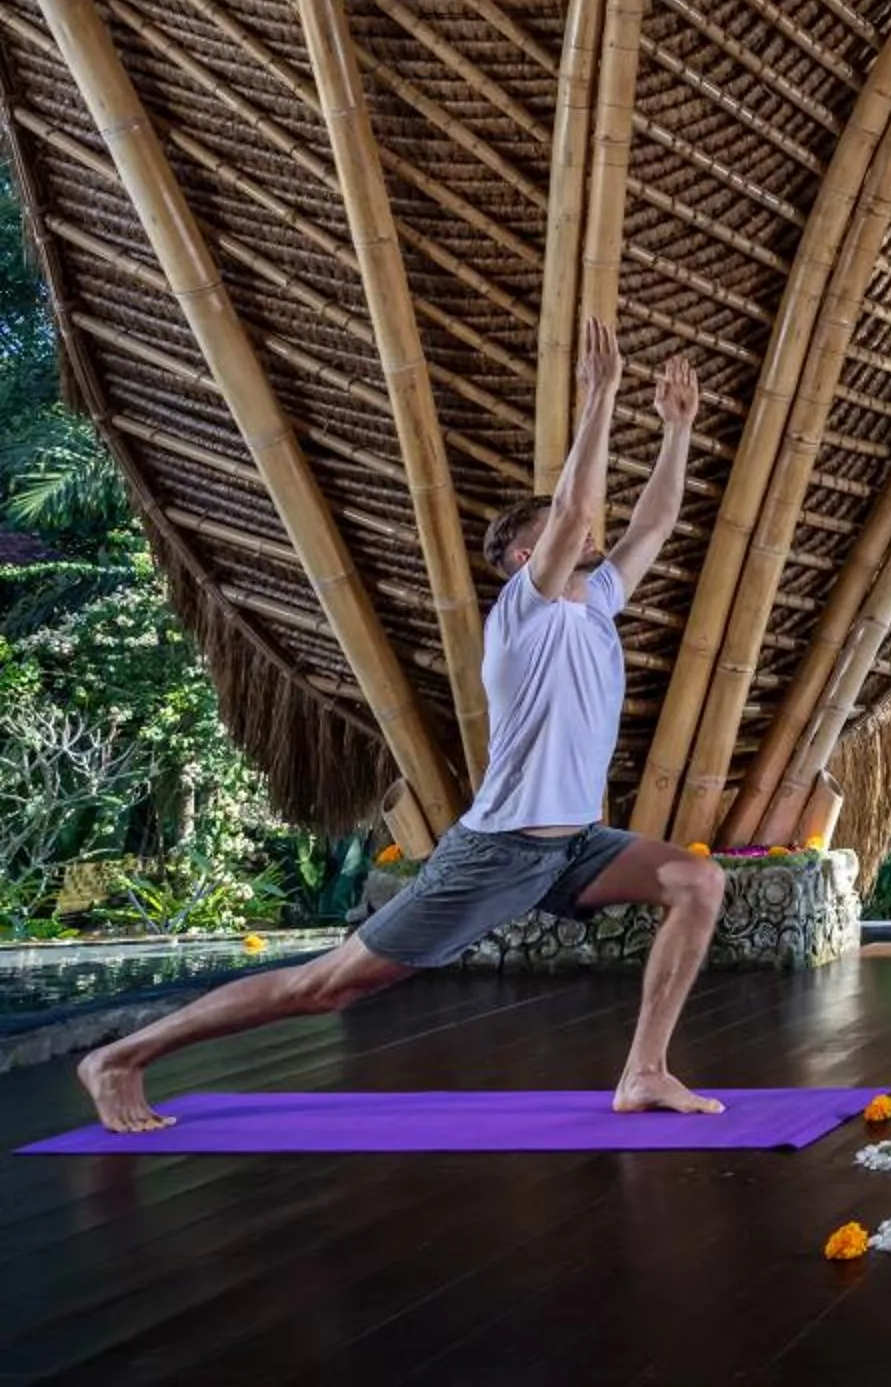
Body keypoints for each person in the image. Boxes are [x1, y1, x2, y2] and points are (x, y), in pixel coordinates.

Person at [79, 317, 731, 1132]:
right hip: (500, 849)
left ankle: (644, 1072)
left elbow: (653, 527)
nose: (593, 538)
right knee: (329, 988)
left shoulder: (597, 603)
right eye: (564, 535)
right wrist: (599, 398)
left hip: (572, 846)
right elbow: (576, 511)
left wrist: (677, 432)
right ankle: (120, 1057)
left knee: (696, 881)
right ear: (526, 560)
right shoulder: (523, 617)